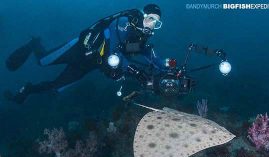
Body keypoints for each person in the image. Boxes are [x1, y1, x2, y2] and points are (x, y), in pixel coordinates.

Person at [5, 4, 167, 104]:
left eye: (156, 22)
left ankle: (28, 89)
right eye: (151, 18)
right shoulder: (124, 23)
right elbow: (112, 51)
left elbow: (150, 55)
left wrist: (166, 70)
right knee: (42, 61)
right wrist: (134, 70)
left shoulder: (141, 38)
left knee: (56, 87)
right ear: (143, 15)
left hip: (88, 65)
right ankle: (35, 44)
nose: (152, 25)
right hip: (77, 50)